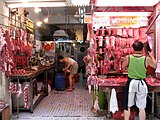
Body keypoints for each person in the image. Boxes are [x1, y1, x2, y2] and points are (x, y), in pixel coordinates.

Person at [122, 41, 157, 120]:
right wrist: (151, 56)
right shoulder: (146, 59)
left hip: (131, 83)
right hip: (141, 83)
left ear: (133, 48)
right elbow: (155, 65)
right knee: (142, 107)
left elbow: (122, 66)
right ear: (142, 49)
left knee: (127, 106)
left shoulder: (128, 57)